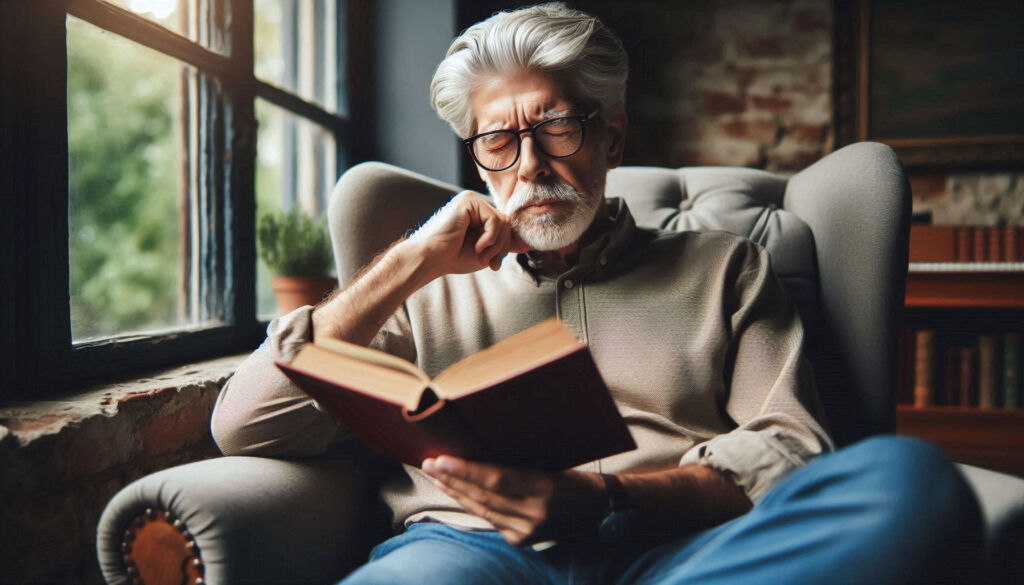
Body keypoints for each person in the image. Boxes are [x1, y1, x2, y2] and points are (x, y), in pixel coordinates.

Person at [212, 4, 981, 583]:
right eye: (498, 141)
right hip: (464, 553)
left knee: (911, 481)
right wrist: (409, 260)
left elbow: (793, 448)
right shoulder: (421, 290)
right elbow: (244, 425)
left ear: (611, 137)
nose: (531, 163)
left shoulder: (727, 267)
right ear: (478, 160)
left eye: (556, 127)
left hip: (676, 553)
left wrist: (608, 497)